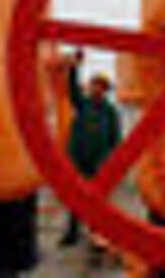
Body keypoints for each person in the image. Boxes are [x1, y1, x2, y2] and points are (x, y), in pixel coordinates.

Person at [60, 49, 122, 246]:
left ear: (105, 91)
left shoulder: (111, 112)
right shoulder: (82, 104)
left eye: (101, 86)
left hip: (99, 163)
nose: (97, 89)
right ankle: (72, 234)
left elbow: (115, 139)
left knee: (98, 201)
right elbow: (72, 90)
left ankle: (97, 235)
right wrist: (74, 69)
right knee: (76, 199)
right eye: (95, 85)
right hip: (79, 159)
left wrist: (112, 162)